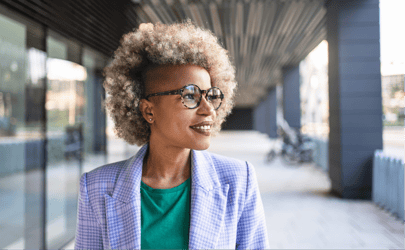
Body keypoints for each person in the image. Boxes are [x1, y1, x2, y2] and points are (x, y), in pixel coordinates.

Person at [75, 20, 269, 249]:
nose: (208, 110)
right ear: (149, 110)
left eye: (211, 95)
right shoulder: (96, 187)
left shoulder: (238, 180)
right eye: (190, 96)